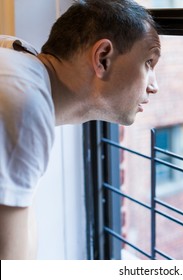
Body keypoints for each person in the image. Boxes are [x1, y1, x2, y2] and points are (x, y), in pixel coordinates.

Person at [0, 0, 160, 259]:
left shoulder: (15, 57)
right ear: (103, 58)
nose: (154, 86)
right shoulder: (24, 103)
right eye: (148, 63)